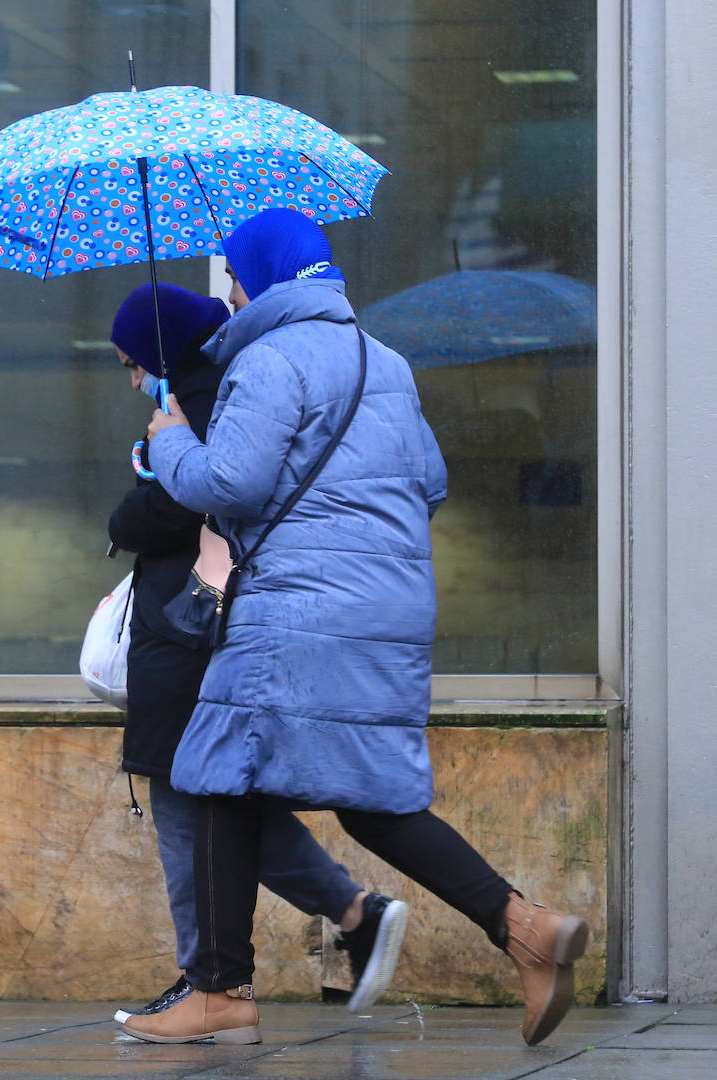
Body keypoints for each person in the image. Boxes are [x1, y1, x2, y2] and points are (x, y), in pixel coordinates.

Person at [121, 209, 590, 1047]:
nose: (228, 292)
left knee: (213, 776)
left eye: (233, 274)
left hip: (297, 609)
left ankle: (220, 991)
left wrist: (172, 444)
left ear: (262, 277)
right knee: (367, 792)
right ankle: (523, 925)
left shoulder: (269, 358)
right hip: (388, 608)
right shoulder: (387, 362)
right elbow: (430, 483)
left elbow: (230, 480)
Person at [106, 282, 408, 1031]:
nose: (131, 377)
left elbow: (193, 503)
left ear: (156, 351)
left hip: (192, 633)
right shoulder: (212, 391)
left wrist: (137, 492)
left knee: (190, 806)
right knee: (226, 806)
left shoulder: (207, 397)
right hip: (203, 629)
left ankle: (209, 984)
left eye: (130, 361)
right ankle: (352, 913)